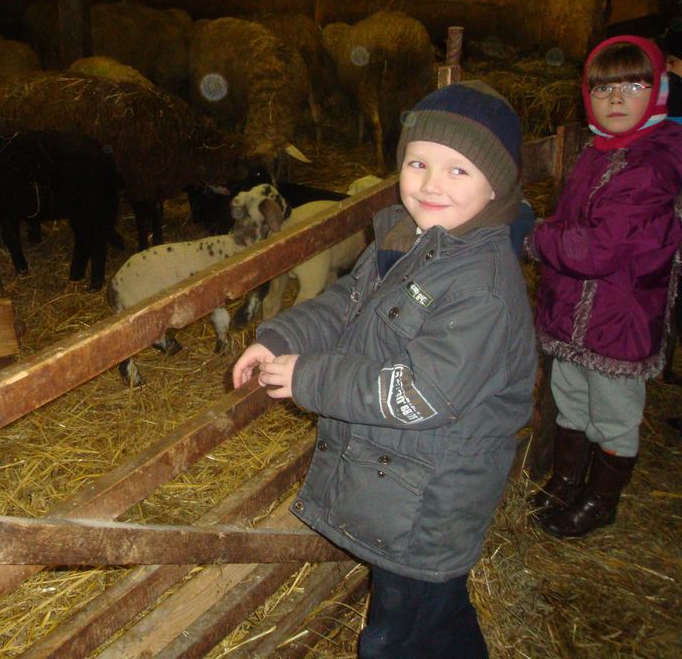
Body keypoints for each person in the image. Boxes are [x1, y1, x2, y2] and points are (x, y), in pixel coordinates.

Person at [232, 80, 537, 659]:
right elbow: (349, 301)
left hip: (429, 504)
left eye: (457, 170)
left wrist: (309, 378)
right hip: (401, 485)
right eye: (418, 163)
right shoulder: (409, 238)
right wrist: (282, 337)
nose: (430, 183)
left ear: (496, 184)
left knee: (396, 637)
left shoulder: (483, 289)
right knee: (434, 620)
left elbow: (419, 394)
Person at [528, 35, 682, 537]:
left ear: (658, 92)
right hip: (575, 313)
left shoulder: (651, 166)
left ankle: (600, 501)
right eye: (603, 87)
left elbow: (598, 249)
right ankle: (565, 481)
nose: (616, 98)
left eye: (633, 85)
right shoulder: (597, 152)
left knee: (614, 413)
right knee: (571, 398)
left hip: (619, 320)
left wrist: (532, 236)